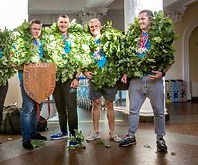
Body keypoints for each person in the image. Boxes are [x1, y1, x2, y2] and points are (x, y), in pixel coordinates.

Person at [119, 10, 172, 152]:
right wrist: (125, 72)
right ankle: (131, 136)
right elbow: (128, 57)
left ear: (151, 20)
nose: (140, 21)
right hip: (136, 79)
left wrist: (163, 72)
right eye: (139, 19)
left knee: (159, 111)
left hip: (153, 79)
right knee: (133, 110)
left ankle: (160, 139)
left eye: (143, 18)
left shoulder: (159, 36)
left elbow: (170, 58)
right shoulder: (133, 37)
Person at [83, 18, 121, 142]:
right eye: (91, 27)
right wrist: (84, 71)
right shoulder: (87, 42)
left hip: (109, 76)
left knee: (110, 103)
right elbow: (82, 58)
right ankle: (95, 132)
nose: (94, 28)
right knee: (96, 103)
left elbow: (116, 56)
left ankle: (112, 132)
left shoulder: (108, 39)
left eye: (96, 26)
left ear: (100, 26)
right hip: (94, 77)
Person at [14, 19, 47, 150]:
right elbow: (14, 61)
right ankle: (26, 138)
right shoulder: (23, 43)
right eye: (34, 29)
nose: (37, 31)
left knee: (37, 105)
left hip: (40, 80)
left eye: (39, 29)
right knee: (27, 108)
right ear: (30, 29)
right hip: (26, 79)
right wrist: (24, 67)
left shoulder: (41, 43)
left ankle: (33, 133)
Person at [50, 14, 80, 146]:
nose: (63, 24)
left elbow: (80, 59)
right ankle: (63, 132)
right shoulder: (52, 39)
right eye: (61, 22)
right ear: (57, 23)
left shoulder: (74, 39)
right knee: (60, 107)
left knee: (71, 108)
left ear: (69, 24)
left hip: (70, 78)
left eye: (65, 22)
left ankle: (74, 135)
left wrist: (77, 77)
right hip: (56, 79)